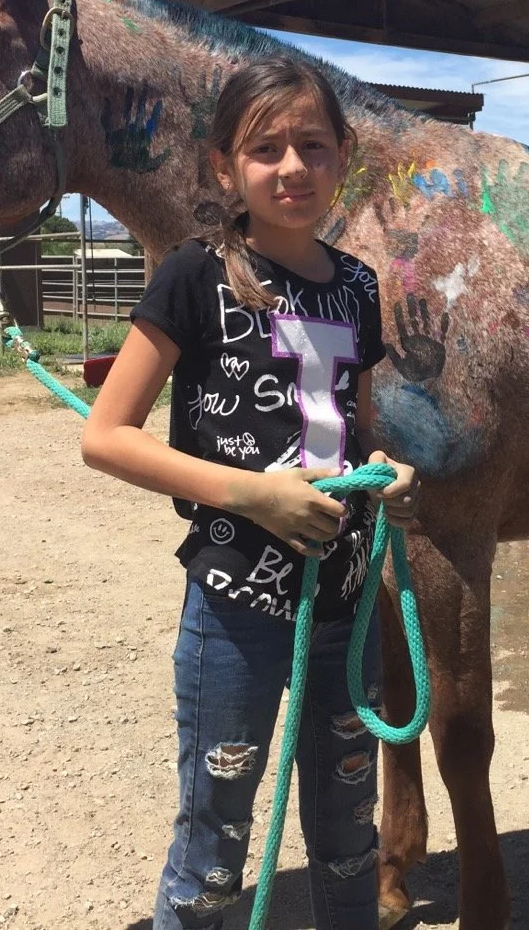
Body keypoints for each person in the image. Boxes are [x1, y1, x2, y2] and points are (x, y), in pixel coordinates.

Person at [81, 55, 418, 930]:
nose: (293, 166)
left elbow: (356, 422)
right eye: (266, 147)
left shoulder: (358, 287)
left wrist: (388, 467)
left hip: (344, 602)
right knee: (215, 843)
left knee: (349, 836)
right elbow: (106, 435)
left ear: (345, 156)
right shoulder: (195, 277)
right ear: (224, 166)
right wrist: (252, 495)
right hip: (234, 610)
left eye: (312, 143)